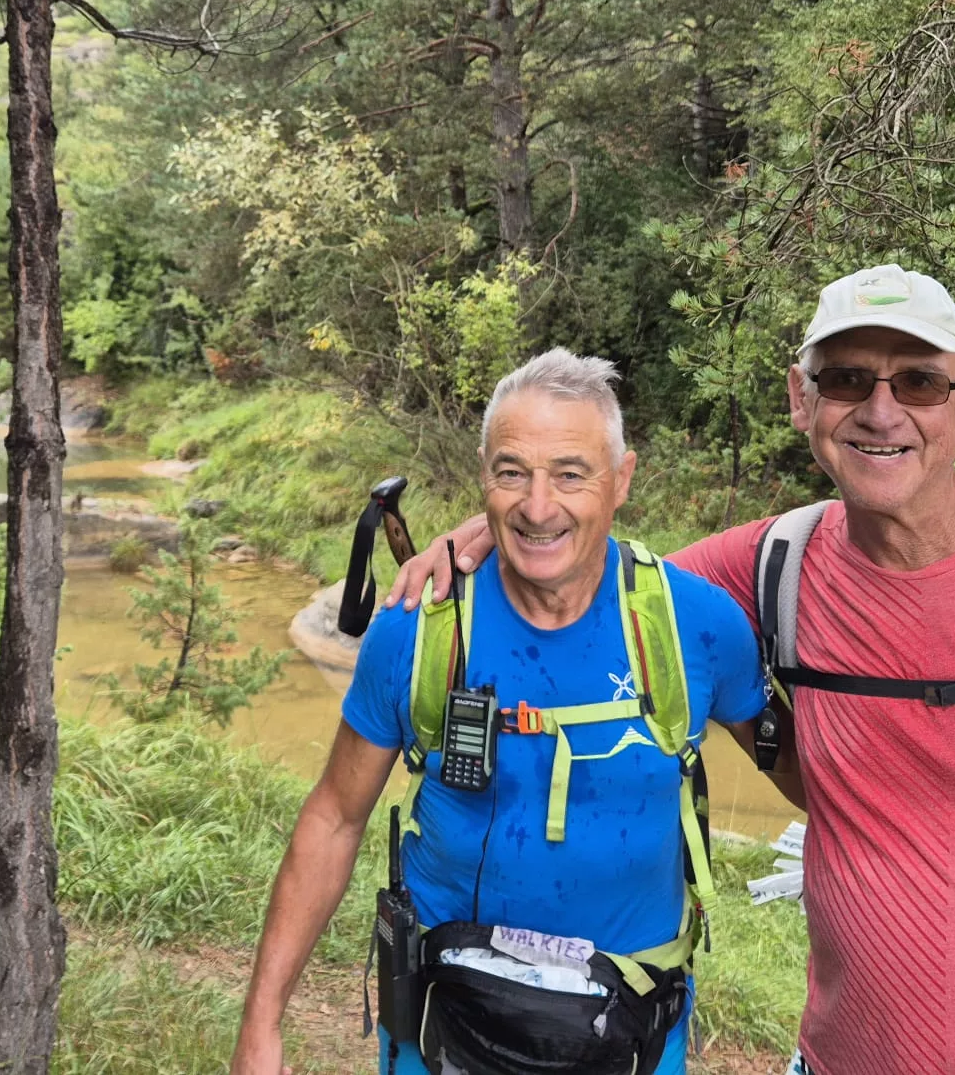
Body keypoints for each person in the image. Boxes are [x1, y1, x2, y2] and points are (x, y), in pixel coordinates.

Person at [386, 265, 955, 1075]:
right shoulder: (761, 571)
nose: (881, 412)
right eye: (847, 380)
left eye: (919, 381)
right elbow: (590, 572)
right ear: (802, 402)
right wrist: (496, 541)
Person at [230, 349, 769, 1075]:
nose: (538, 506)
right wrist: (261, 1026)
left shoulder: (693, 626)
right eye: (511, 472)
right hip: (442, 1030)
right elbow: (334, 815)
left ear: (622, 481)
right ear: (483, 478)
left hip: (631, 1035)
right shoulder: (418, 629)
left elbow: (810, 779)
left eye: (571, 474)